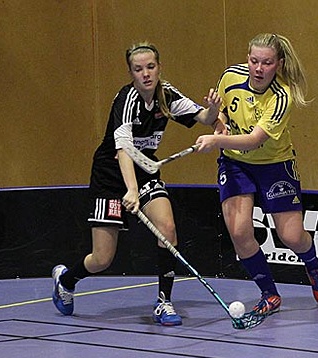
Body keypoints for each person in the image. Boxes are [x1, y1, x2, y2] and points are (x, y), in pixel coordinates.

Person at [51, 42, 221, 326]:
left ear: (159, 67)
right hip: (110, 176)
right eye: (138, 69)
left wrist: (213, 110)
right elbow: (123, 150)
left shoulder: (166, 95)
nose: (146, 74)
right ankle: (66, 280)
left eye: (151, 67)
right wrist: (130, 190)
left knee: (167, 228)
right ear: (131, 73)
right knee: (102, 258)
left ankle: (164, 302)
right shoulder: (126, 100)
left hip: (144, 170)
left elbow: (203, 117)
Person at [193, 33, 318, 319]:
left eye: (266, 63)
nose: (258, 68)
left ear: (278, 64)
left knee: (292, 236)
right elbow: (221, 114)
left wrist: (216, 141)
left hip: (274, 165)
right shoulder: (230, 77)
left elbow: (255, 140)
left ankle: (313, 264)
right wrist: (218, 123)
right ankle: (269, 294)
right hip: (235, 164)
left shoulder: (282, 97)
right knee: (239, 232)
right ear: (247, 58)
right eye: (254, 61)